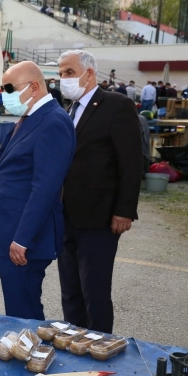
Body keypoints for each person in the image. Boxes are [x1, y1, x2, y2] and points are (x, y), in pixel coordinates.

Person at [0, 61, 76, 321]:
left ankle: (30, 355)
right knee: (18, 306)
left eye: (9, 88)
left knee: (23, 310)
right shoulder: (31, 117)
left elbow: (45, 189)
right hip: (10, 231)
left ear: (34, 87)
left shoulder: (53, 122)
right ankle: (25, 349)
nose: (4, 95)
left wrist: (23, 239)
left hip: (25, 240)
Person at [58, 49, 142, 334]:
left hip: (100, 217)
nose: (63, 79)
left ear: (89, 73)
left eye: (68, 72)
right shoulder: (68, 109)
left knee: (94, 290)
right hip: (66, 215)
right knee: (70, 290)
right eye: (60, 74)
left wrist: (124, 210)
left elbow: (131, 163)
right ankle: (74, 338)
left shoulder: (116, 105)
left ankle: (99, 343)